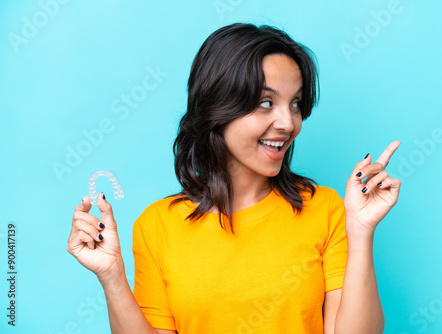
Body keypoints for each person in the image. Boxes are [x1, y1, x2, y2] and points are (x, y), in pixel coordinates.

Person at [67, 22, 401, 334]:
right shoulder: (156, 226)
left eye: (296, 103)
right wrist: (111, 276)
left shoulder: (324, 209)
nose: (288, 122)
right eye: (265, 102)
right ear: (217, 107)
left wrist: (360, 230)